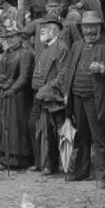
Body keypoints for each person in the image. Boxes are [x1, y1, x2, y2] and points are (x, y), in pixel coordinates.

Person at [61, 10, 105, 189]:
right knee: (81, 136)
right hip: (77, 97)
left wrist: (103, 67)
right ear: (81, 29)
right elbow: (69, 69)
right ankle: (81, 171)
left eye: (92, 27)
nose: (89, 31)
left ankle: (101, 176)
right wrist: (67, 92)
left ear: (99, 27)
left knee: (99, 138)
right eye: (86, 27)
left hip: (97, 99)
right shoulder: (77, 46)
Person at [0, 21, 34, 169]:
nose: (10, 40)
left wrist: (12, 90)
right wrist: (0, 83)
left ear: (20, 37)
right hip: (2, 92)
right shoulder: (5, 54)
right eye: (7, 37)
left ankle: (14, 158)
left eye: (13, 36)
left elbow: (24, 77)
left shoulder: (26, 53)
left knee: (14, 125)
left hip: (17, 96)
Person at [30, 14, 68, 175]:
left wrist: (45, 90)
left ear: (54, 31)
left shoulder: (61, 48)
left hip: (54, 97)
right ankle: (46, 164)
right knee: (43, 130)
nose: (41, 32)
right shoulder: (45, 47)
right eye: (41, 29)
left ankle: (63, 165)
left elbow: (62, 75)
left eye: (44, 29)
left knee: (58, 131)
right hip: (41, 96)